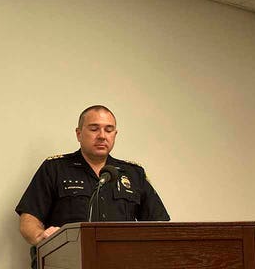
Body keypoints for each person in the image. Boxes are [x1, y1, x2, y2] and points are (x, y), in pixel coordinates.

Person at [15, 105, 170, 266]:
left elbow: (159, 225)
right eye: (94, 129)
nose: (102, 136)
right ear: (79, 134)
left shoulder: (133, 173)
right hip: (67, 262)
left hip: (121, 262)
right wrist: (41, 236)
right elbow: (29, 218)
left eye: (109, 130)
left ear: (115, 135)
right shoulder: (55, 168)